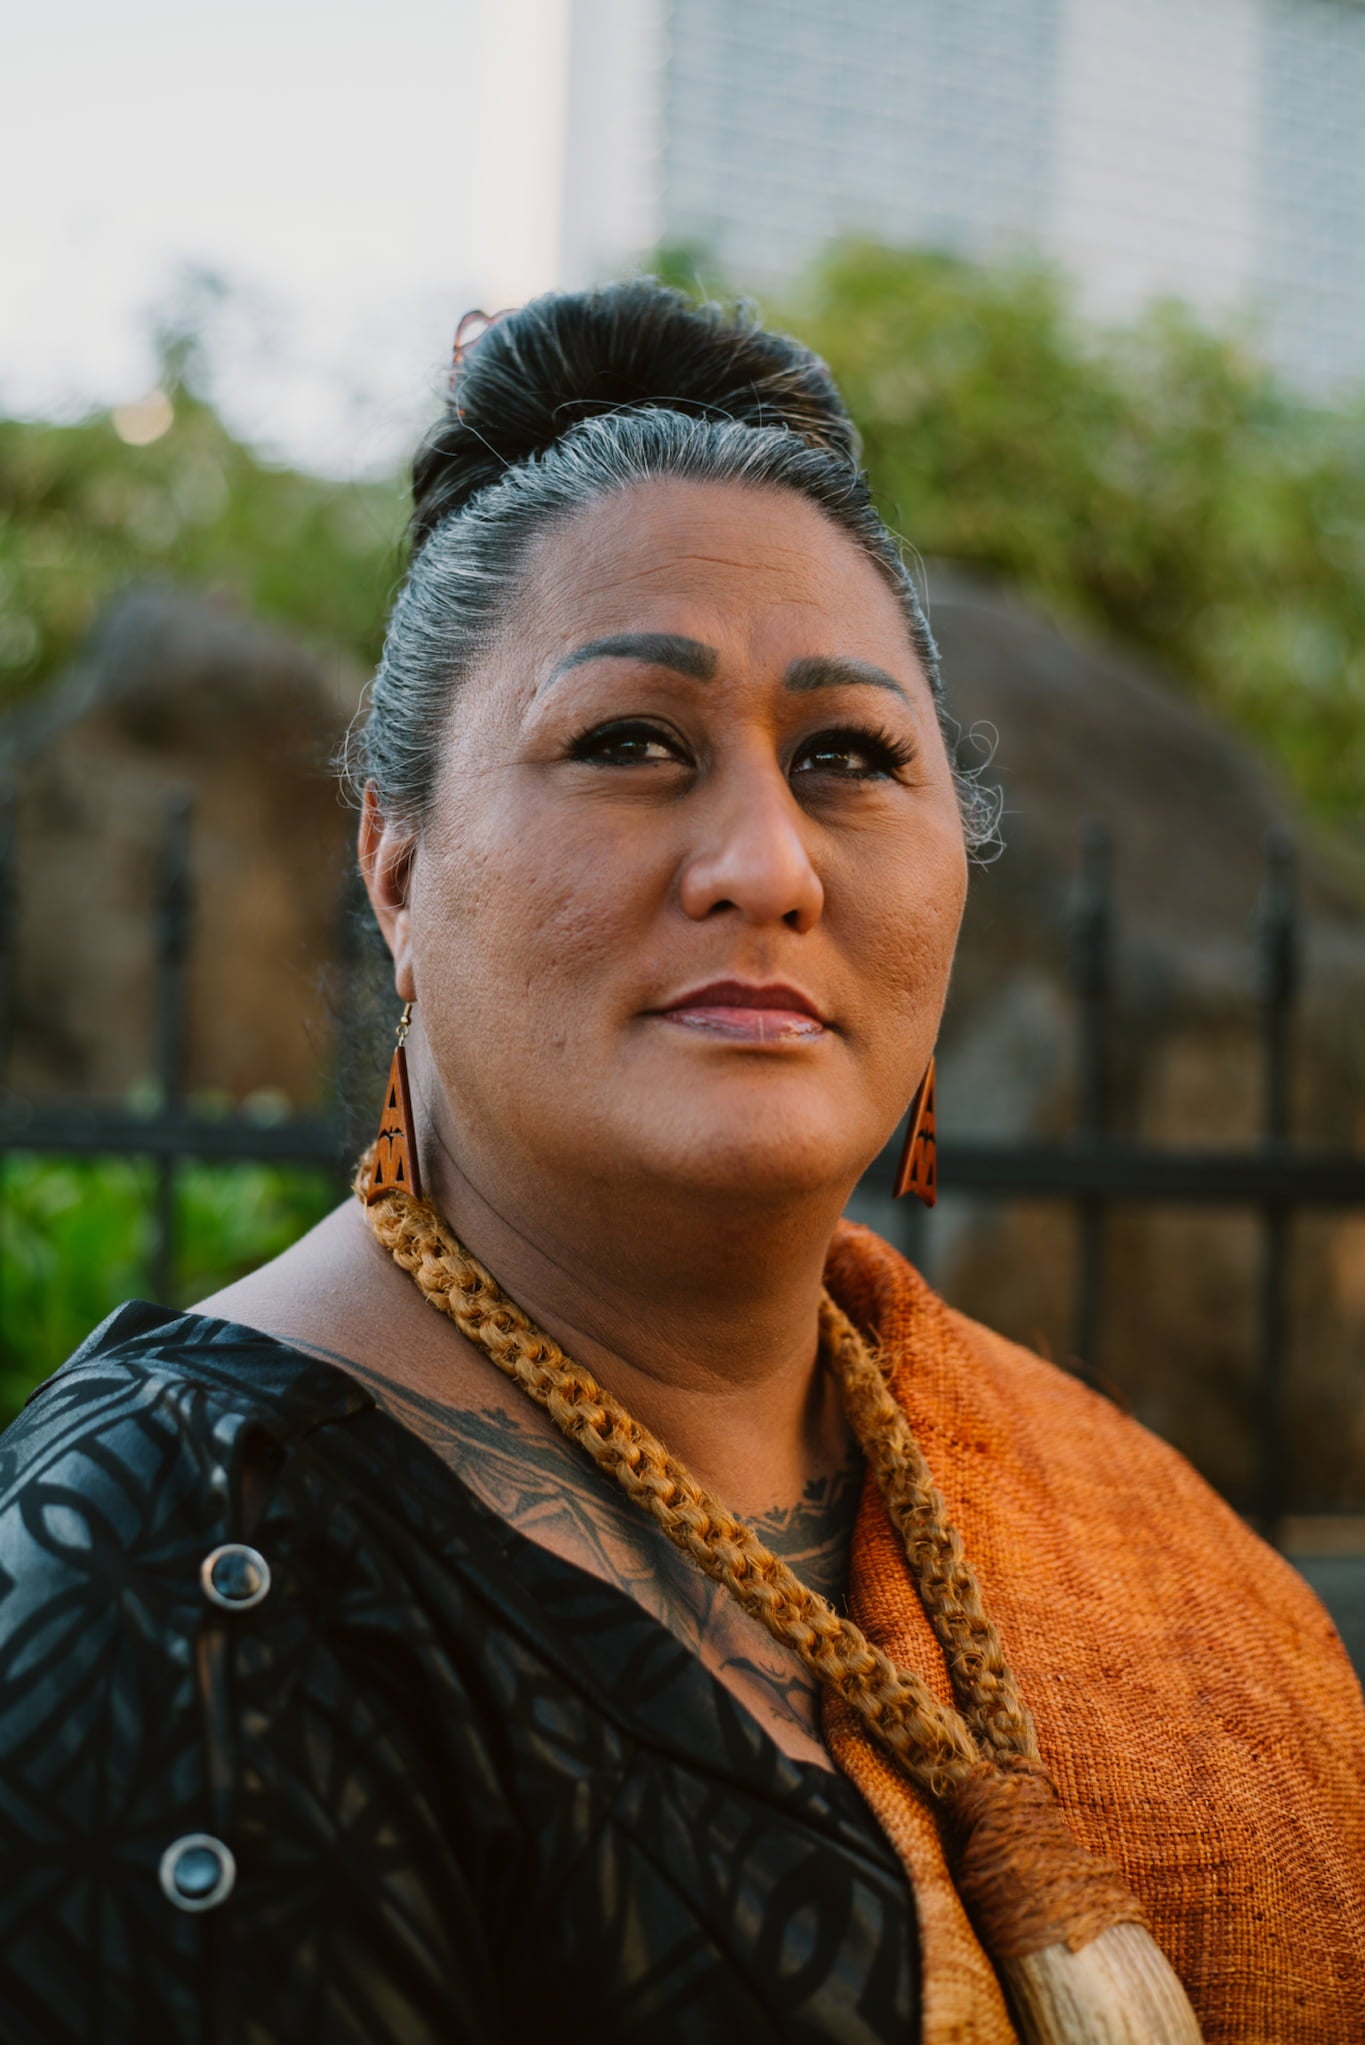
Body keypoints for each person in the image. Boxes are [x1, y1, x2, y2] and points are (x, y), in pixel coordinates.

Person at [0, 281, 1361, 2045]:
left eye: (849, 758)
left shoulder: (1127, 1543)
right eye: (630, 741)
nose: (766, 861)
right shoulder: (178, 1573)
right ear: (397, 867)